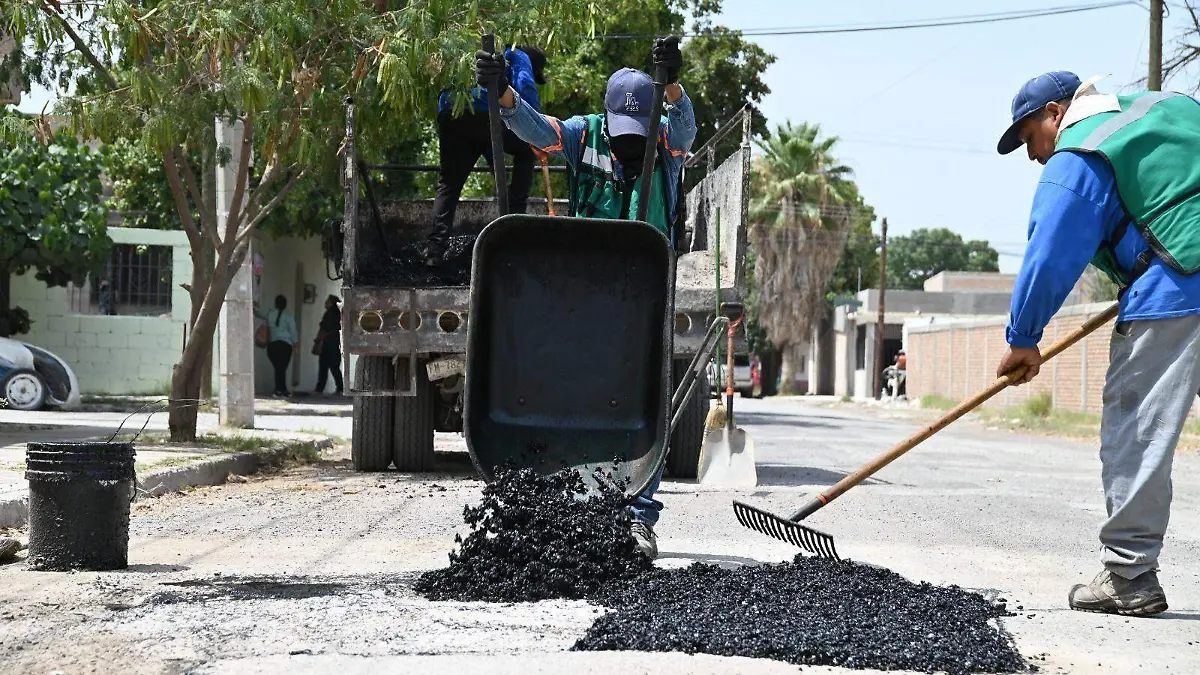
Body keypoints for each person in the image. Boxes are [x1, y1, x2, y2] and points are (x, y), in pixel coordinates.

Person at [477, 35, 694, 559]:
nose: (627, 145)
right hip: (585, 289)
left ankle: (638, 517)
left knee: (644, 404)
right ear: (607, 118)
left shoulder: (666, 139)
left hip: (644, 291)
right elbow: (534, 127)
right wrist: (503, 94)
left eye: (636, 135)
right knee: (575, 392)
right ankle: (560, 504)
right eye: (622, 133)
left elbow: (685, 125)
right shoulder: (582, 135)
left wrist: (673, 86)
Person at [996, 71, 1200, 616]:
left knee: (1136, 426)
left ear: (1056, 113)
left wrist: (1023, 338)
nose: (1033, 155)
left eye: (1028, 137)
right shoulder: (1167, 108)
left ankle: (1130, 576)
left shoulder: (1080, 152)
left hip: (1180, 285)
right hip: (1181, 270)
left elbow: (1050, 254)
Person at [428, 45, 547, 265]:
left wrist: (496, 170)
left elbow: (490, 147)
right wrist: (537, 131)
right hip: (486, 110)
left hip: (451, 111)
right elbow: (527, 90)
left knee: (448, 184)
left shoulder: (468, 49)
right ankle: (516, 221)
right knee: (528, 147)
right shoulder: (517, 54)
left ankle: (435, 251)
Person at [256, 294, 299, 398]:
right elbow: (293, 332)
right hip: (285, 346)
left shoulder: (270, 314)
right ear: (285, 305)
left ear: (275, 304)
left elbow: (258, 313)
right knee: (282, 368)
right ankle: (281, 390)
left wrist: (253, 305)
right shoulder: (289, 317)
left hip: (273, 345)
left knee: (278, 367)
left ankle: (280, 389)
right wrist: (296, 345)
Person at [313, 295, 344, 396]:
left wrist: (318, 340)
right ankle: (340, 388)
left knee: (324, 367)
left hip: (327, 344)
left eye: (327, 301)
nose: (325, 303)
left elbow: (325, 329)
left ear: (331, 303)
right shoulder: (339, 314)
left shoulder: (329, 314)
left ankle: (320, 389)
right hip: (337, 343)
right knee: (335, 367)